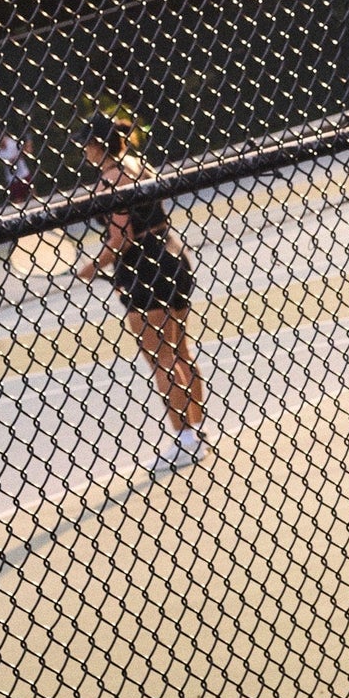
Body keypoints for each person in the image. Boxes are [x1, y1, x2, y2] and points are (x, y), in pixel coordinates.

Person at [76, 113, 208, 474]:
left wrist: (90, 268)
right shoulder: (138, 163)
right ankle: (196, 432)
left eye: (86, 143)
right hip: (173, 255)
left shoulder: (109, 180)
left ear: (97, 145)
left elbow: (121, 239)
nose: (84, 150)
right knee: (180, 350)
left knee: (160, 358)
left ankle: (184, 439)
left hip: (146, 270)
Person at [0, 129, 35, 204]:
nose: (3, 140)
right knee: (18, 199)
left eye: (3, 138)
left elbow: (27, 152)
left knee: (32, 193)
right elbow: (11, 162)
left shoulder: (11, 142)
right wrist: (21, 153)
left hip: (23, 173)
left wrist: (28, 144)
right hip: (13, 178)